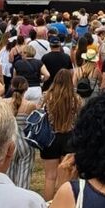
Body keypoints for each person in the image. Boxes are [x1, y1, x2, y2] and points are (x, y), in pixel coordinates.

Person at [39, 69, 81, 201]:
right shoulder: (76, 99)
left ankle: (48, 207)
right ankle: (64, 205)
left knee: (50, 177)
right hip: (69, 137)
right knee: (67, 177)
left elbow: (38, 112)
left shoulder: (46, 97)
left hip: (50, 137)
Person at [2, 75, 38, 189]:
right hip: (25, 143)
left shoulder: (3, 103)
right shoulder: (30, 105)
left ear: (11, 87)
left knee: (9, 175)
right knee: (24, 177)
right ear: (26, 89)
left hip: (9, 142)